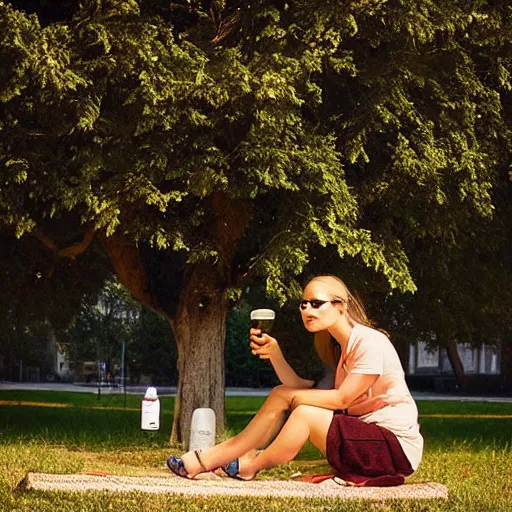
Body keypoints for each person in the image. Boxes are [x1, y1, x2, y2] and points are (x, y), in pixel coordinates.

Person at [167, 275, 423, 485]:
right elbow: (307, 389)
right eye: (303, 304)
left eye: (316, 303)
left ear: (341, 306)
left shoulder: (369, 342)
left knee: (301, 411)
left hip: (393, 450)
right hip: (365, 442)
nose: (307, 309)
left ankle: (237, 462)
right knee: (289, 397)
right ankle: (235, 461)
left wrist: (288, 398)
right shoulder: (344, 349)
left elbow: (341, 399)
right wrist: (275, 354)